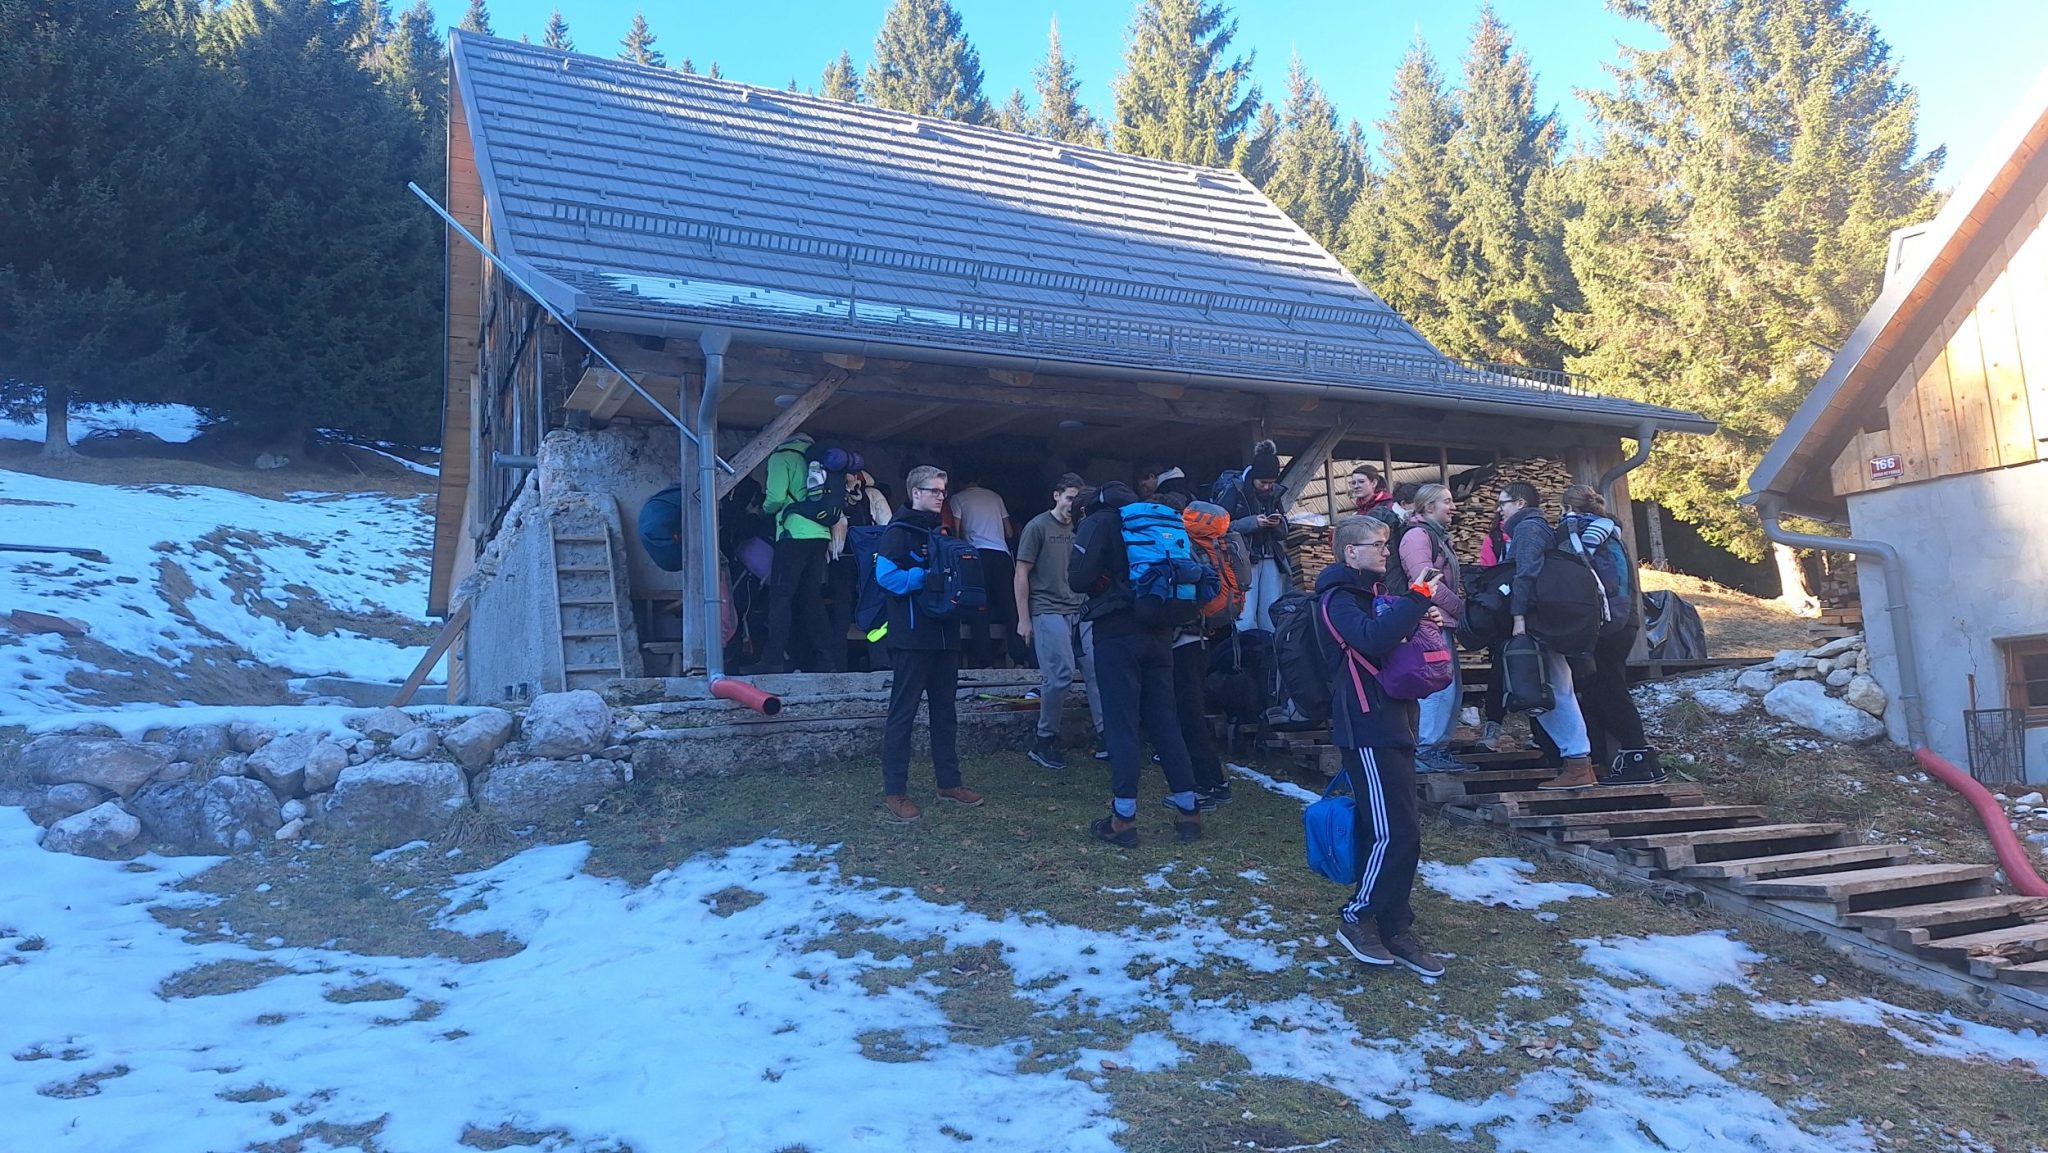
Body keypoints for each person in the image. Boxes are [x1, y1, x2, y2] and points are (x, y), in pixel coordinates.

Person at [1318, 515, 1447, 977]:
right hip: (1367, 727)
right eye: (1378, 545)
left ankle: (1394, 924)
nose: (1386, 552)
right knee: (1394, 832)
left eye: (1387, 545)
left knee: (1402, 829)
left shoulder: (1375, 596)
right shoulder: (1336, 600)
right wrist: (1417, 599)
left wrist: (1421, 619)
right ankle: (1359, 916)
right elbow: (1372, 639)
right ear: (1351, 552)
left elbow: (1395, 642)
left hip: (1395, 722)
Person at [1069, 480, 1204, 846]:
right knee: (1165, 721)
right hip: (1159, 631)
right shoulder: (1150, 522)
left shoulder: (1098, 521)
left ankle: (1123, 819)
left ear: (1086, 507)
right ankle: (1189, 813)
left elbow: (1078, 579)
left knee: (1122, 724)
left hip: (1116, 634)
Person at [873, 466, 984, 821]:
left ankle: (949, 782)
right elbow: (886, 578)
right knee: (903, 714)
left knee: (945, 712)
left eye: (943, 491)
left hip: (945, 636)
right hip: (911, 638)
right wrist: (928, 576)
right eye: (934, 490)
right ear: (915, 493)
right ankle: (895, 791)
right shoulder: (898, 532)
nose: (940, 496)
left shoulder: (939, 532)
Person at [1560, 483, 1664, 785]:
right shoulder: (1609, 531)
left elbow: (1576, 574)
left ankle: (1637, 759)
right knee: (1598, 689)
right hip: (1626, 619)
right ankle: (1621, 759)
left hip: (1606, 622)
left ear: (1568, 508)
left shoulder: (1579, 532)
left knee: (1610, 689)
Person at [1500, 482, 1599, 790]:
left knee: (1550, 688)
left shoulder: (1528, 529)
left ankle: (1577, 763)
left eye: (1503, 503)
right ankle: (1577, 763)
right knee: (1554, 687)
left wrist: (1518, 616)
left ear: (1519, 503)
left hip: (1537, 620)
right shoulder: (1536, 527)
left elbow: (1525, 573)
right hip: (1546, 618)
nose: (1499, 510)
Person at [1014, 473, 1099, 770]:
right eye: (1069, 498)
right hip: (1047, 607)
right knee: (1060, 674)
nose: (1072, 506)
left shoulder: (1083, 527)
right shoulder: (1038, 526)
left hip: (1082, 608)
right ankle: (1045, 739)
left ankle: (1106, 735)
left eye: (1077, 501)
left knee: (1097, 670)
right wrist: (1023, 619)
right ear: (1056, 496)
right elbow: (1021, 573)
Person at [1396, 484, 1466, 772]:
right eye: (1447, 501)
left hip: (1441, 620)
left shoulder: (1437, 536)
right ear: (1428, 506)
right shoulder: (1417, 536)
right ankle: (1426, 749)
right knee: (1437, 688)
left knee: (1450, 687)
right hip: (1428, 624)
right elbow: (1425, 582)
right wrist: (1461, 609)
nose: (1453, 507)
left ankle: (1437, 749)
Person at [1175, 495, 1239, 809]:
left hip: (1185, 636)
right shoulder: (1217, 545)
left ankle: (1209, 784)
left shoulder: (1183, 543)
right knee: (1191, 712)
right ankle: (1212, 782)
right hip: (1205, 635)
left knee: (1189, 715)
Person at [761, 433, 840, 673]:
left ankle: (773, 661)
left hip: (793, 534)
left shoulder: (781, 457)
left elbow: (775, 498)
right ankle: (827, 659)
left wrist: (764, 509)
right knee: (811, 598)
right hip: (821, 534)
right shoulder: (822, 460)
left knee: (781, 597)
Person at [1216, 440, 1291, 634]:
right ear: (1253, 478)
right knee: (1245, 616)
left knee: (1271, 614)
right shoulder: (1235, 490)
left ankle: (1269, 650)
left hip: (1271, 558)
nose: (1267, 487)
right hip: (1242, 560)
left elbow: (1285, 530)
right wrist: (1252, 523)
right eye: (1263, 482)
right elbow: (1219, 526)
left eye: (1271, 483)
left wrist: (1278, 523)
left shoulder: (1275, 494)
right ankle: (1248, 650)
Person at [948, 475, 1015, 669]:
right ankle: (1019, 658)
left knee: (979, 607)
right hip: (1002, 555)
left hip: (976, 555)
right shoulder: (995, 497)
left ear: (960, 482)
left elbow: (956, 533)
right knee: (1010, 607)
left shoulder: (958, 499)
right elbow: (1009, 532)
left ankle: (984, 662)